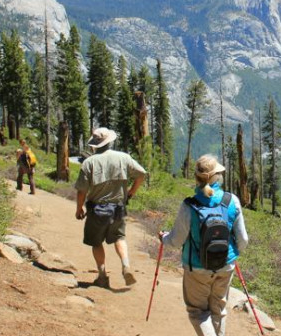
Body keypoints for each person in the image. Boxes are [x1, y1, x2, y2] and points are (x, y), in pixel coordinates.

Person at [159, 155, 249, 336]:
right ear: (217, 177)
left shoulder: (189, 206)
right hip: (226, 265)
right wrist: (233, 253)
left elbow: (176, 241)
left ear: (197, 177)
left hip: (197, 268)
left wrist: (163, 238)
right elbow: (243, 240)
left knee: (198, 312)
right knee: (219, 309)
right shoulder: (231, 200)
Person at [75, 127, 146, 289]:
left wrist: (79, 208)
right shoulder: (124, 157)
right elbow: (141, 174)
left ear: (95, 145)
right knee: (119, 238)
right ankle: (125, 265)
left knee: (96, 242)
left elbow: (82, 190)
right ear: (110, 142)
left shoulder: (89, 163)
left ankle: (102, 276)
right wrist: (131, 192)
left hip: (96, 209)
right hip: (118, 207)